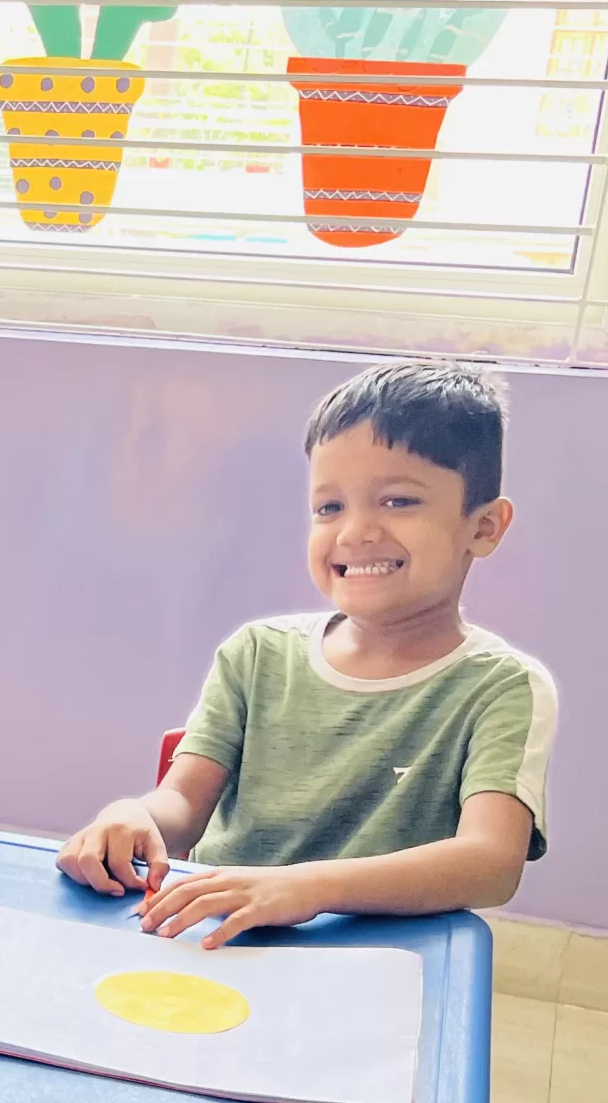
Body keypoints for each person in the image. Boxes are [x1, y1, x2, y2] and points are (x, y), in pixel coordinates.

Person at [58, 361, 556, 946]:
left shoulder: (501, 688)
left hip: (376, 961)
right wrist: (136, 815)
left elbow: (491, 863)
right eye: (329, 507)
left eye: (398, 501)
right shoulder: (254, 655)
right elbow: (181, 805)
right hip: (216, 938)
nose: (355, 532)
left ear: (485, 527)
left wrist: (307, 888)